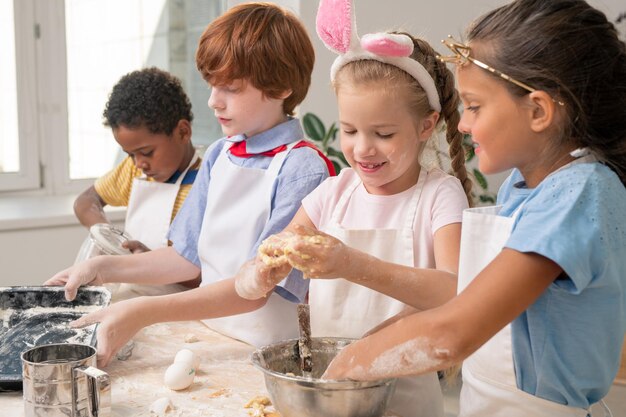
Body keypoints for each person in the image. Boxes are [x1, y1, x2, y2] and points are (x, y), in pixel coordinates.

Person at [283, 1, 626, 416]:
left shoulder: (579, 194)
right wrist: (359, 351)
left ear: (538, 110)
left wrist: (340, 376)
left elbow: (453, 332)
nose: (462, 124)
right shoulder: (523, 188)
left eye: (476, 106)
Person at [46, 2, 333, 366]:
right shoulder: (219, 155)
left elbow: (257, 289)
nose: (214, 101)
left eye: (230, 87)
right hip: (209, 335)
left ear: (281, 88)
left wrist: (144, 310)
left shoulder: (302, 170)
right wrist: (102, 269)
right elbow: (185, 257)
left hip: (268, 353)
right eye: (212, 86)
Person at [234, 1, 471, 416]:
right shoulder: (332, 194)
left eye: (383, 133)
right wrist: (259, 274)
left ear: (426, 126)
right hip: (332, 394)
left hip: (408, 401)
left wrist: (352, 264)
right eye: (349, 130)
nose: (362, 148)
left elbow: (454, 293)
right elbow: (263, 264)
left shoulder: (440, 196)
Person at [74, 67, 202, 296]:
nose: (138, 163)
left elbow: (210, 274)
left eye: (147, 152)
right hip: (132, 295)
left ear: (183, 132)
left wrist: (150, 264)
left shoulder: (207, 182)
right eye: (130, 154)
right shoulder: (135, 173)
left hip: (181, 305)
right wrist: (106, 236)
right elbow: (85, 202)